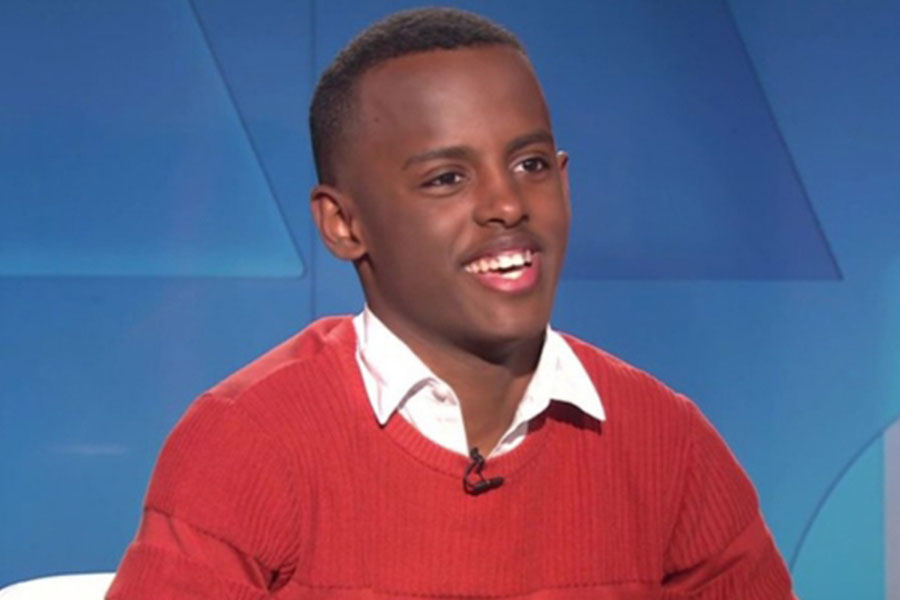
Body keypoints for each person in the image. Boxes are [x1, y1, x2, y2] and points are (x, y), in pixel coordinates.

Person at [108, 7, 796, 599]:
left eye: (529, 165)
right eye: (446, 178)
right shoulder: (248, 444)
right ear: (344, 225)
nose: (505, 205)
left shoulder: (668, 444)